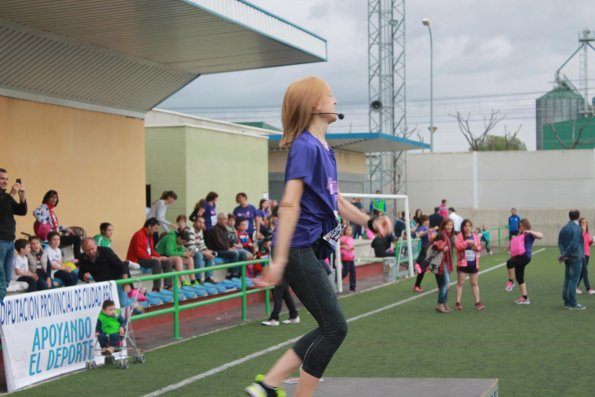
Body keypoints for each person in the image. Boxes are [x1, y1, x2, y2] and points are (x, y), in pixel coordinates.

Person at [244, 76, 390, 397]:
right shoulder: (305, 147)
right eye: (330, 95)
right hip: (296, 248)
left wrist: (370, 221)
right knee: (335, 328)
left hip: (310, 246)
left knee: (328, 326)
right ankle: (277, 388)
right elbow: (289, 203)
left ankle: (267, 385)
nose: (336, 100)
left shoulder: (326, 150)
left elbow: (335, 200)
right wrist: (279, 260)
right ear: (314, 104)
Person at [79, 238, 136, 307]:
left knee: (123, 303)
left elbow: (122, 266)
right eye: (87, 251)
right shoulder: (82, 258)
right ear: (83, 250)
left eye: (92, 248)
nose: (91, 252)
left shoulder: (106, 251)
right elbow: (80, 273)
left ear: (96, 245)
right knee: (108, 307)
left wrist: (125, 283)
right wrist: (84, 276)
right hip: (103, 285)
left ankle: (136, 302)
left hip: (117, 280)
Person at [0, 169, 27, 301]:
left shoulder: (6, 197)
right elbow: (2, 209)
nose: (5, 181)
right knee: (0, 279)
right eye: (2, 178)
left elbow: (22, 211)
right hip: (0, 242)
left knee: (5, 280)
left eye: (6, 179)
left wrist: (22, 196)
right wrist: (12, 194)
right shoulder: (6, 197)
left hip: (10, 241)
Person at [126, 218, 173, 291]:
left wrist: (160, 257)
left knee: (167, 261)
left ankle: (167, 286)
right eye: (155, 228)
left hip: (146, 258)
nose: (156, 231)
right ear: (149, 226)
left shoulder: (150, 235)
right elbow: (139, 253)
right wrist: (152, 258)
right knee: (156, 262)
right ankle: (156, 288)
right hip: (137, 260)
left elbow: (152, 251)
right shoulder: (139, 235)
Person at [33, 190, 82, 259]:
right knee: (77, 239)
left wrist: (65, 228)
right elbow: (36, 212)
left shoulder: (50, 210)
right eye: (52, 197)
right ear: (47, 198)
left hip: (55, 235)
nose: (54, 199)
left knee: (76, 238)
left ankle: (78, 260)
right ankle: (79, 260)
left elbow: (54, 226)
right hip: (50, 238)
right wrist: (44, 223)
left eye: (56, 197)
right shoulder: (44, 207)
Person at [507, 219, 543, 305]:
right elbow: (511, 248)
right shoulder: (520, 234)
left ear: (526, 226)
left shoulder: (529, 234)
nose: (521, 228)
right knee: (519, 277)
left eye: (522, 226)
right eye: (520, 226)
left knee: (509, 263)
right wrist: (513, 240)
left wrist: (530, 231)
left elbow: (541, 236)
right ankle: (524, 297)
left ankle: (511, 282)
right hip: (519, 256)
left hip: (525, 256)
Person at [454, 219, 485, 310]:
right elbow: (458, 247)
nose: (467, 228)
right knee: (460, 283)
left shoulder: (475, 236)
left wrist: (476, 247)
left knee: (474, 283)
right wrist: (467, 242)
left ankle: (477, 302)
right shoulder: (459, 236)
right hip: (462, 263)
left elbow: (479, 248)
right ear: (462, 227)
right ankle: (458, 303)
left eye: (469, 226)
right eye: (465, 226)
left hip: (473, 263)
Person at [558, 210, 585, 310]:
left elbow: (560, 242)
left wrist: (563, 254)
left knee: (568, 279)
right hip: (575, 256)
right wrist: (566, 254)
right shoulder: (577, 228)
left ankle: (567, 301)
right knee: (573, 280)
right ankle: (572, 303)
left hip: (567, 257)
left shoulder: (564, 228)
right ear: (578, 216)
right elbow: (574, 244)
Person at [206, 213, 240, 278]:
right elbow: (219, 244)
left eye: (226, 219)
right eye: (224, 219)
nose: (226, 221)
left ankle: (239, 273)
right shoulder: (215, 229)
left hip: (224, 249)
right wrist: (228, 248)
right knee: (234, 254)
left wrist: (231, 247)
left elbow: (228, 240)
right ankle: (231, 274)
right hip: (216, 251)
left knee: (241, 254)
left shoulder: (224, 228)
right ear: (218, 220)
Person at [432, 218, 455, 313]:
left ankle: (444, 303)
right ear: (443, 225)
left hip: (447, 261)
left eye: (451, 225)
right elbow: (434, 245)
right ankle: (440, 303)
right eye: (448, 225)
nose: (450, 226)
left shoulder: (449, 235)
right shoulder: (441, 234)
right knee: (446, 282)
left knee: (444, 283)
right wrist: (442, 248)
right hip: (441, 261)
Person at [185, 216, 216, 284]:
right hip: (188, 253)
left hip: (197, 251)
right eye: (199, 222)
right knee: (199, 255)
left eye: (203, 222)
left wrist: (207, 250)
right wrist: (204, 253)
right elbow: (191, 247)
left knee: (212, 253)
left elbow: (202, 245)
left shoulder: (200, 231)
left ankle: (208, 277)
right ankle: (198, 279)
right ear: (194, 222)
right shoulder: (189, 231)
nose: (201, 224)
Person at [412, 215, 437, 293]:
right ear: (423, 222)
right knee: (422, 269)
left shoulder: (429, 228)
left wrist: (434, 234)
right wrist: (429, 231)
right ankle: (417, 285)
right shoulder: (422, 228)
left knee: (426, 268)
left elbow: (433, 237)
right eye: (426, 220)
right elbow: (419, 234)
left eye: (428, 220)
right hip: (424, 250)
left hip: (430, 250)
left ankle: (417, 284)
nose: (428, 222)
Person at [577, 218, 594, 295]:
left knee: (581, 272)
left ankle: (574, 287)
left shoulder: (587, 233)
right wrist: (582, 231)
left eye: (585, 223)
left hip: (587, 254)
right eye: (583, 222)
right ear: (580, 223)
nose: (584, 224)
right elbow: (579, 240)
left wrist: (592, 241)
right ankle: (589, 289)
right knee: (585, 271)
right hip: (581, 254)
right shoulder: (578, 232)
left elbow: (587, 244)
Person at [340, 225, 356, 292]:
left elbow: (351, 246)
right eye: (348, 230)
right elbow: (338, 246)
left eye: (350, 230)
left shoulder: (351, 238)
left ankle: (352, 287)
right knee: (345, 272)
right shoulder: (342, 238)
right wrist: (344, 246)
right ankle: (337, 280)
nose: (349, 231)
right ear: (345, 231)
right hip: (345, 257)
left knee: (353, 272)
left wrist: (352, 248)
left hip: (351, 257)